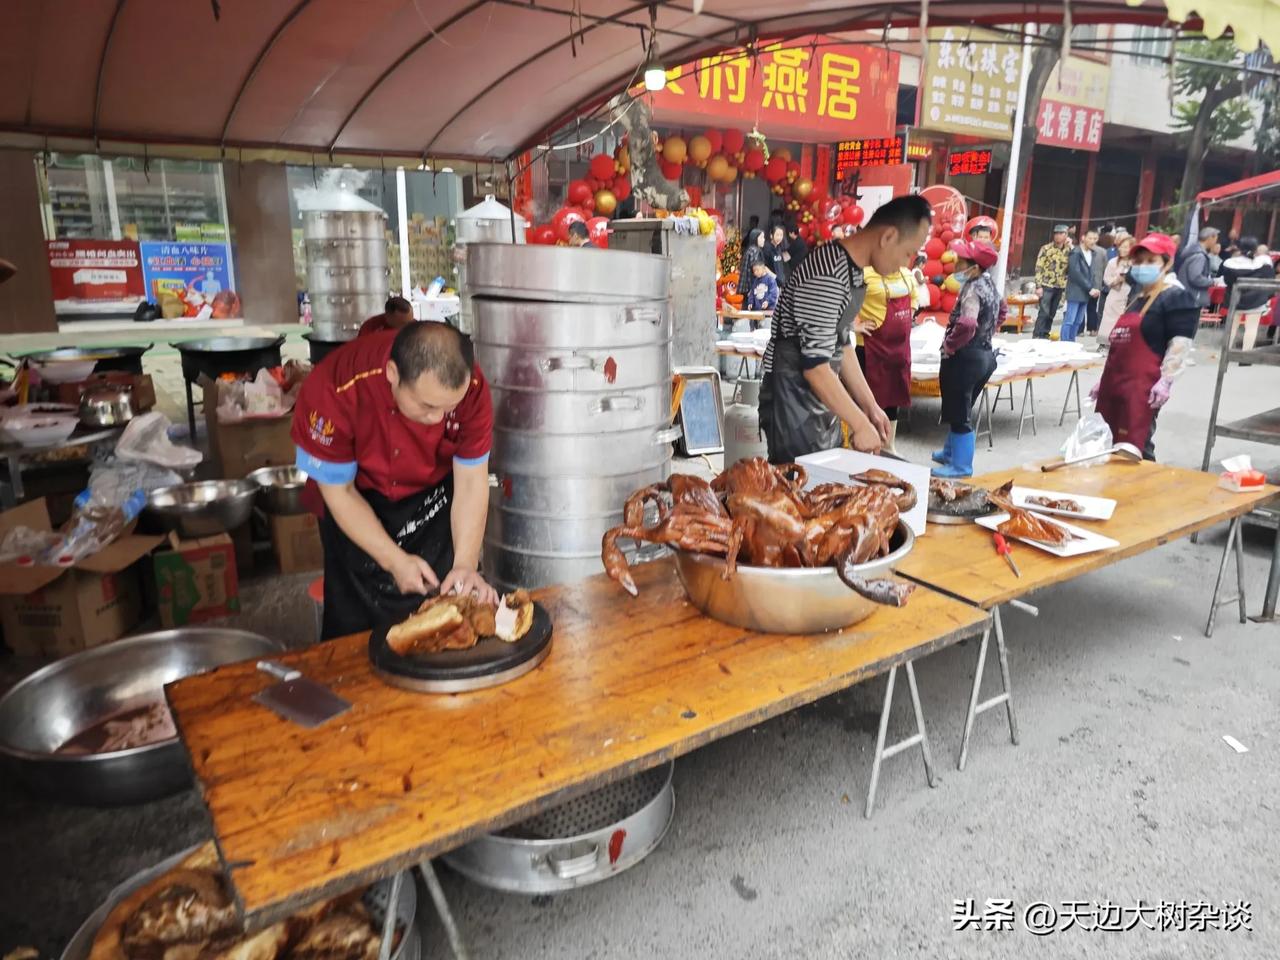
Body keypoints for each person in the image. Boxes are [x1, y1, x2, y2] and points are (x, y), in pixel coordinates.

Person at [292, 322, 497, 640]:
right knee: (352, 626)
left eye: (449, 409)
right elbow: (339, 492)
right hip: (356, 498)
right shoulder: (334, 390)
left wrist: (466, 564)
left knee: (442, 618)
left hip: (432, 502)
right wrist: (395, 561)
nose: (438, 419)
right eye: (427, 406)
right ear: (392, 374)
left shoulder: (471, 387)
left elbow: (471, 481)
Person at [758, 195, 933, 461]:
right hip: (791, 398)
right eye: (908, 252)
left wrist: (869, 406)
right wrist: (859, 424)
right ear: (887, 237)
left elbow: (841, 345)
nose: (906, 263)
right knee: (798, 488)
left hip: (814, 398)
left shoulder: (852, 271)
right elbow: (816, 368)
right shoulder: (827, 273)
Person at [1090, 233, 1197, 461]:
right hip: (1115, 386)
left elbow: (1180, 343)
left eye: (1151, 261)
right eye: (1139, 261)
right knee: (1108, 447)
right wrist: (1103, 380)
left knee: (1136, 449)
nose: (1142, 266)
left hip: (1142, 391)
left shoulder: (1175, 297)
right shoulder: (1137, 298)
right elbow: (1120, 344)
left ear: (1167, 263)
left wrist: (1166, 380)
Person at [932, 239, 1001, 479]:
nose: (956, 264)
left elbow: (968, 322)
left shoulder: (972, 288)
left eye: (961, 261)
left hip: (965, 357)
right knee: (961, 406)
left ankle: (961, 466)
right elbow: (1002, 309)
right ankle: (950, 453)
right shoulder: (988, 283)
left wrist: (951, 344)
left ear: (974, 266)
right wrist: (989, 330)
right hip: (984, 355)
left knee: (960, 413)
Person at [854, 260, 923, 452]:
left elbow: (915, 297)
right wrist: (855, 324)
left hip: (899, 351)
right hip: (870, 348)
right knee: (869, 401)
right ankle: (866, 447)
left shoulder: (906, 275)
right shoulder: (864, 275)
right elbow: (843, 302)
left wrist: (909, 313)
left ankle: (888, 447)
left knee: (893, 399)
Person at [1220, 236, 1277, 354]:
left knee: (1231, 327)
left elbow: (1226, 281)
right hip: (1256, 299)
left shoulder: (1230, 263)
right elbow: (1269, 279)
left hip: (1234, 298)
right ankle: (1246, 356)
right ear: (1255, 249)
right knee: (1251, 328)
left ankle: (1225, 352)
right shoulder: (1264, 263)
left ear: (1239, 248)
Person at [1062, 228, 1105, 341]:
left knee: (1078, 321)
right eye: (1090, 238)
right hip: (1076, 290)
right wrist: (1089, 288)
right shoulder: (1076, 252)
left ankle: (1071, 342)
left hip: (1086, 291)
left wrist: (1095, 288)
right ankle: (1064, 343)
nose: (1092, 241)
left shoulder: (1093, 253)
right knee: (1069, 320)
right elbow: (1075, 273)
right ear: (1083, 238)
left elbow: (1093, 273)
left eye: (1095, 238)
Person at [1032, 225, 1071, 338]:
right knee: (1044, 312)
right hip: (1046, 284)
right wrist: (1038, 286)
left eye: (1061, 233)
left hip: (1060, 286)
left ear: (1066, 235)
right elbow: (1039, 267)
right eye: (1056, 233)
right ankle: (1037, 335)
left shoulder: (1069, 250)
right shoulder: (1046, 249)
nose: (1058, 236)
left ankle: (1045, 333)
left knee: (1052, 313)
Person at [1098, 235, 1135, 347]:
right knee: (1109, 319)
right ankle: (1104, 344)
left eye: (1126, 247)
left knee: (1125, 321)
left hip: (1130, 295)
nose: (1122, 249)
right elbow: (1106, 279)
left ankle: (1120, 344)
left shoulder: (1135, 263)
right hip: (1115, 294)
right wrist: (1117, 279)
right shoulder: (1113, 262)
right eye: (1121, 247)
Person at [1175, 227, 1220, 310]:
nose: (1215, 242)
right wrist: (1212, 282)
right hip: (1193, 298)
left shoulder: (1191, 251)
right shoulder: (1199, 256)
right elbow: (1195, 278)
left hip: (1185, 296)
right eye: (1215, 239)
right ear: (1210, 238)